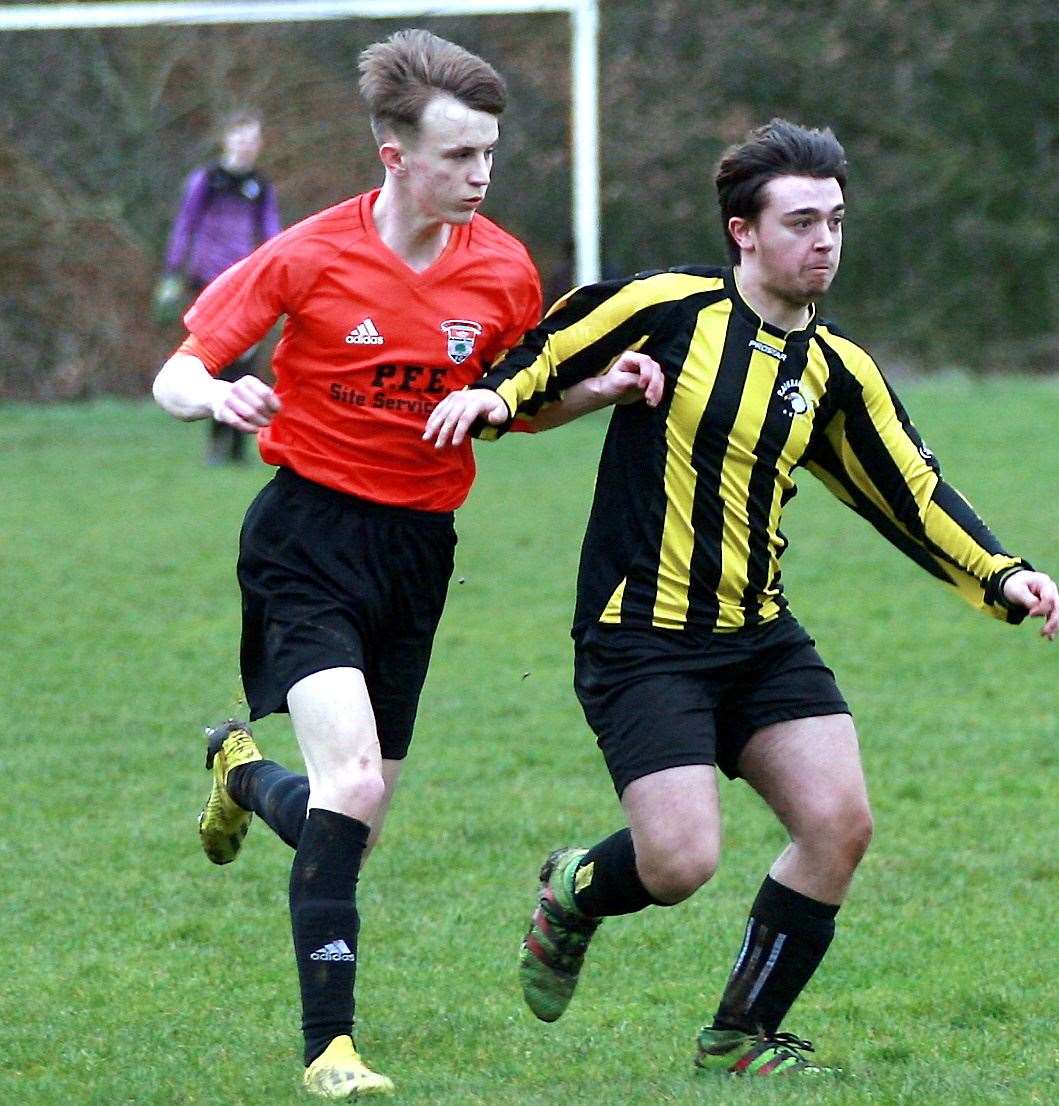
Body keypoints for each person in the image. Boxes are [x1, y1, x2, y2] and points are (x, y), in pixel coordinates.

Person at [424, 118, 1059, 1076]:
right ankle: (572, 890)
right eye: (801, 221)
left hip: (758, 637)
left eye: (836, 222)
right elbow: (546, 350)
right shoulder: (666, 308)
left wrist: (1002, 573)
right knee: (679, 863)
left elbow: (910, 491)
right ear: (743, 231)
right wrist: (496, 398)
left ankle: (738, 1038)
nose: (824, 242)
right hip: (640, 637)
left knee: (839, 824)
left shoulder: (838, 369)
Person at [151, 29, 661, 1099]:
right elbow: (177, 371)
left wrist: (593, 392)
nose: (479, 175)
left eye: (489, 155)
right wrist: (219, 394)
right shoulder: (310, 254)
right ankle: (328, 1049)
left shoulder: (508, 271)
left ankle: (242, 768)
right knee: (349, 782)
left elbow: (512, 410)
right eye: (457, 156)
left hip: (419, 551)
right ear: (395, 155)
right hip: (307, 537)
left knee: (362, 801)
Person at [156, 110, 281, 464]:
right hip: (210, 282)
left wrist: (280, 272)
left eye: (253, 140)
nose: (247, 147)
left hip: (246, 284)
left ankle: (239, 449)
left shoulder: (261, 187)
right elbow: (185, 225)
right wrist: (172, 272)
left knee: (248, 361)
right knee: (218, 361)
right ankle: (215, 445)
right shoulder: (207, 181)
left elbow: (273, 234)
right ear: (227, 140)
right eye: (241, 138)